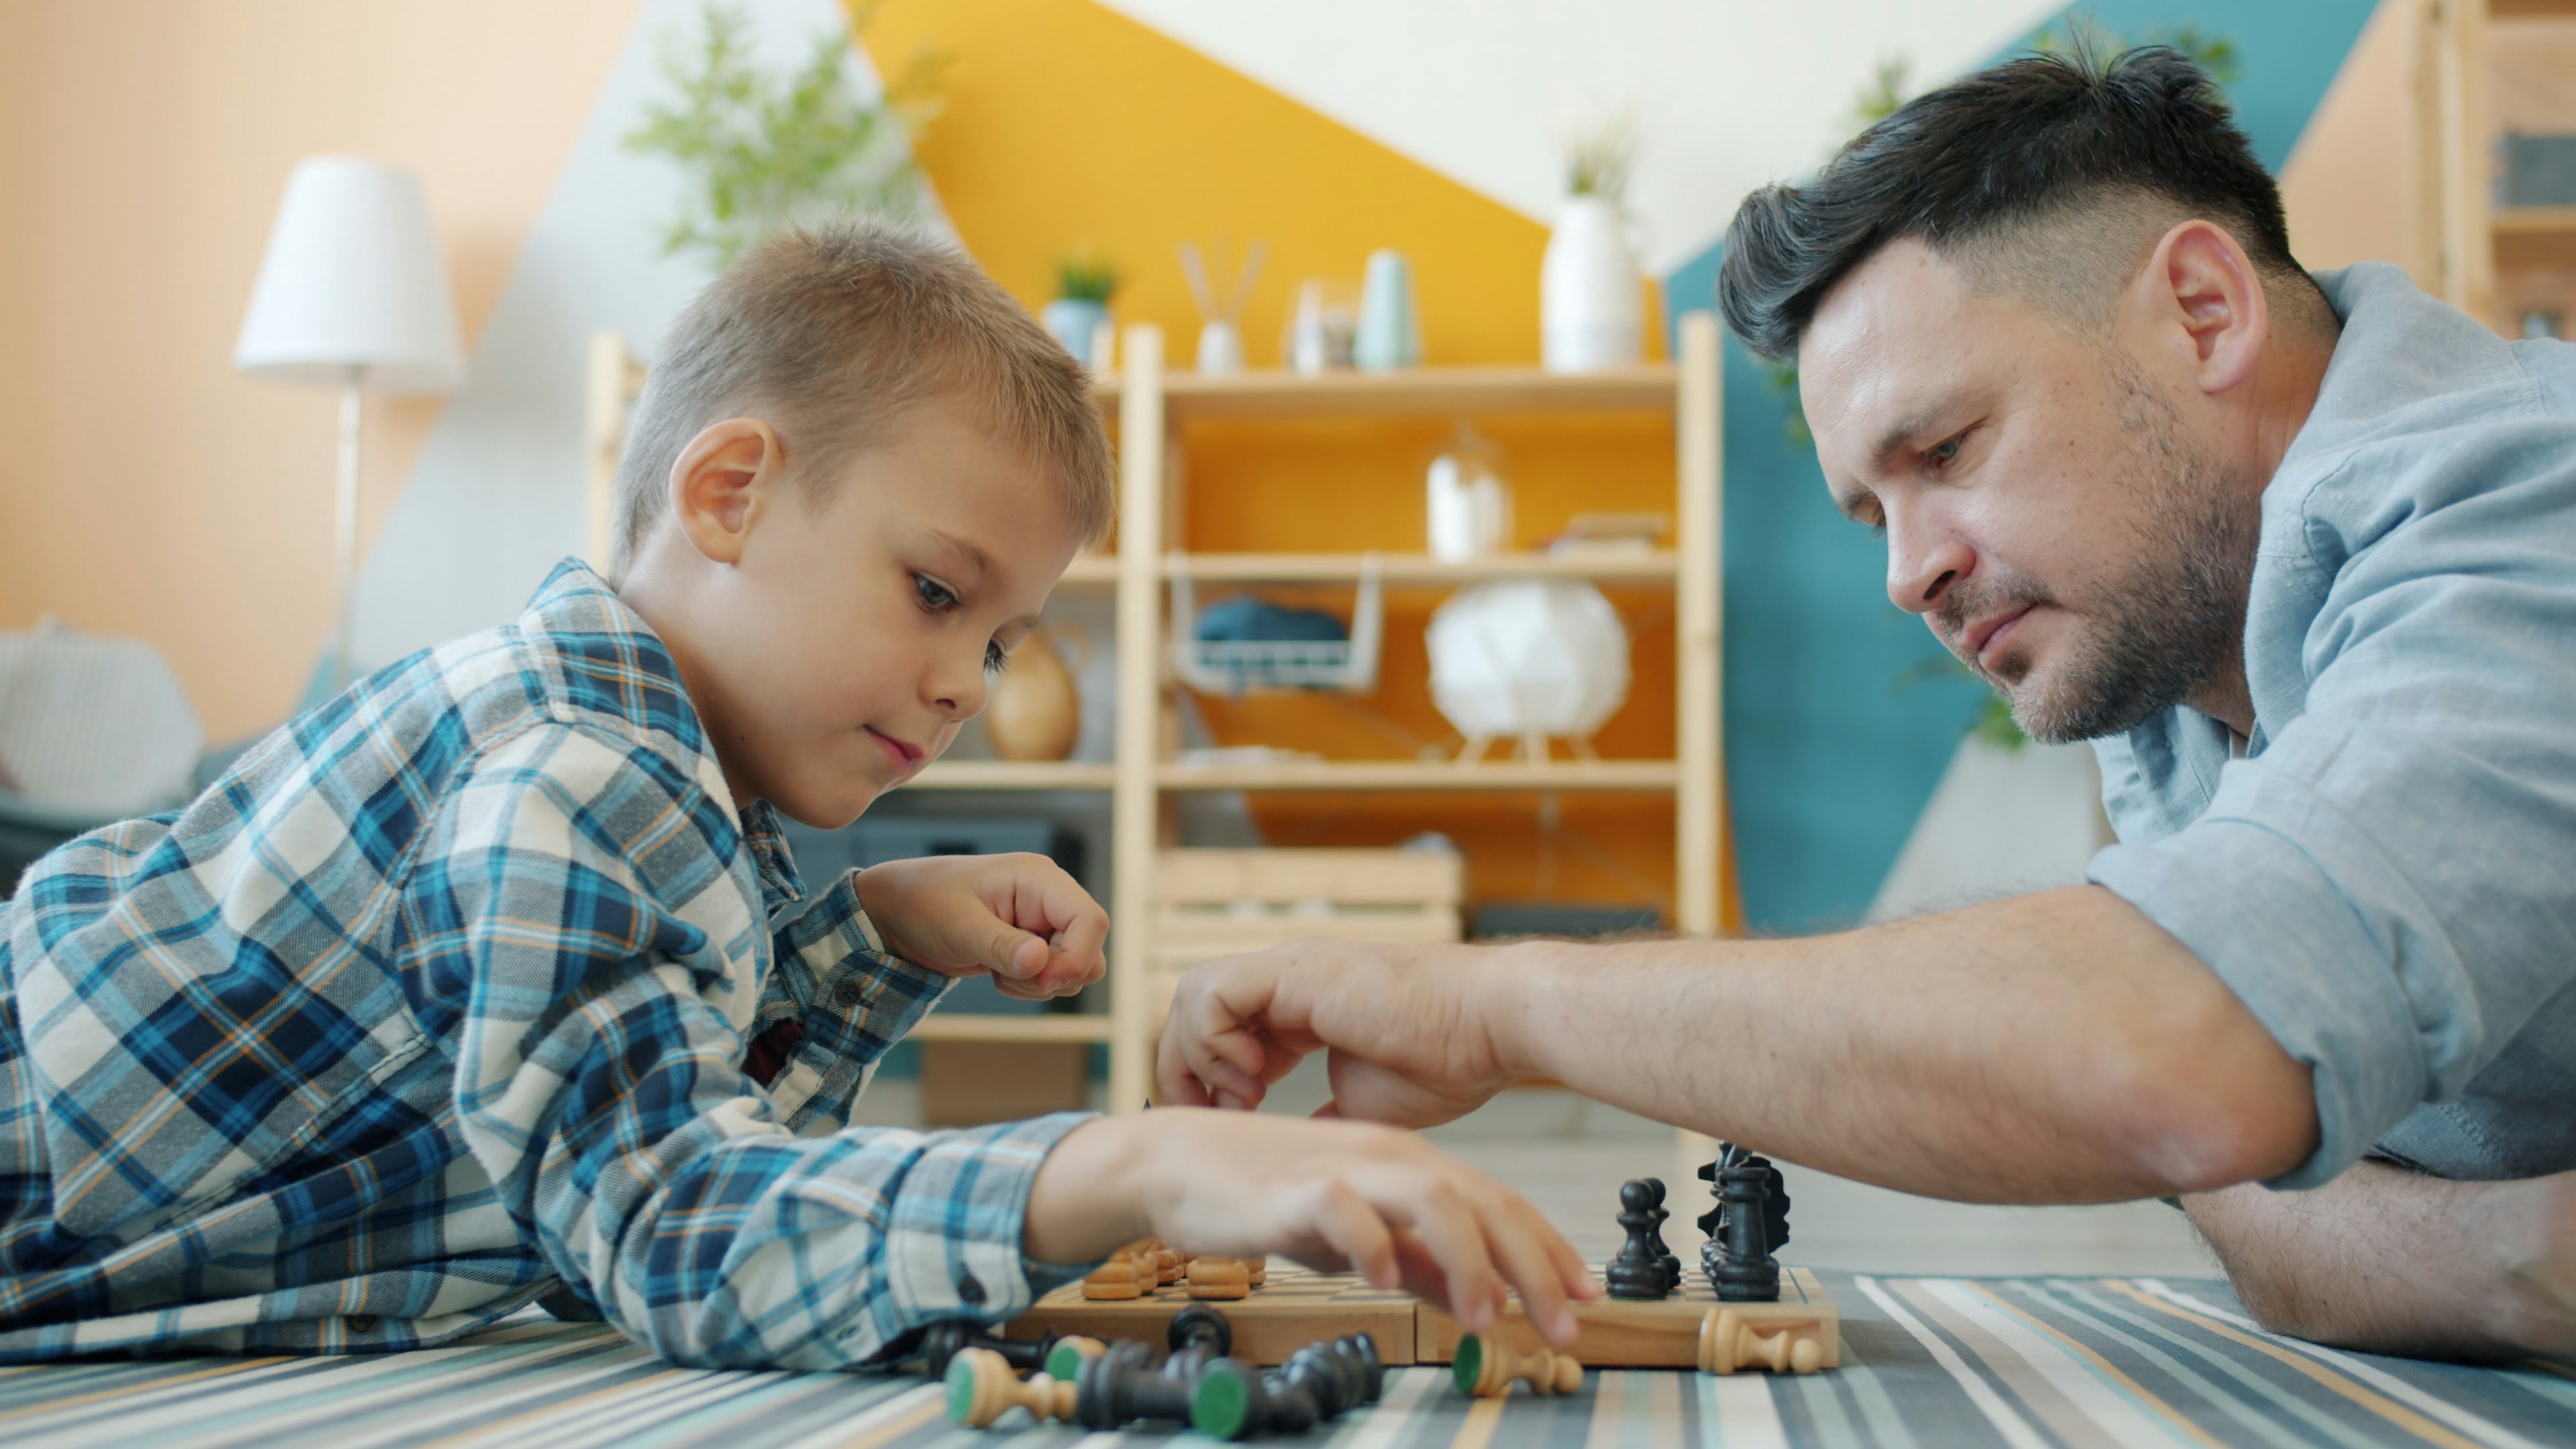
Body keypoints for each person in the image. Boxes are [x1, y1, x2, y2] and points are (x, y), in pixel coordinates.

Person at [1161, 48, 2576, 1363]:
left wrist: (1490, 1003)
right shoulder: (2178, 661)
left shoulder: (2529, 510)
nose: (1910, 575)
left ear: (2203, 312)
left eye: (1946, 445)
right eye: (1868, 513)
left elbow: (2179, 1068)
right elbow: (2230, 1174)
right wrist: (2516, 1255)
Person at [0, 222, 1593, 1366]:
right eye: (931, 591)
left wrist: (864, 944)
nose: (971, 681)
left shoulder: (667, 787)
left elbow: (667, 1140)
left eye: (1005, 636)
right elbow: (672, 1228)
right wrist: (1129, 1164)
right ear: (731, 494)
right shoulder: (569, 770)